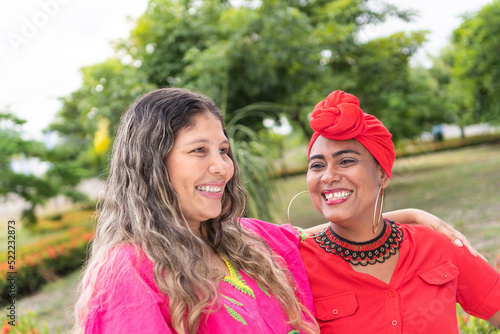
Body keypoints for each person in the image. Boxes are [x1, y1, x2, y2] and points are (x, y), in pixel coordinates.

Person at [74, 88, 473, 334]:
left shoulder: (241, 240)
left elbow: (314, 236)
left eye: (224, 150)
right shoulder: (129, 273)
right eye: (199, 150)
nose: (222, 167)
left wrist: (406, 215)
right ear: (151, 163)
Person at [296, 90, 500, 333]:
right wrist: (412, 213)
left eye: (346, 161)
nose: (328, 176)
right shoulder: (294, 263)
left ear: (382, 174)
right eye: (317, 165)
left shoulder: (437, 245)